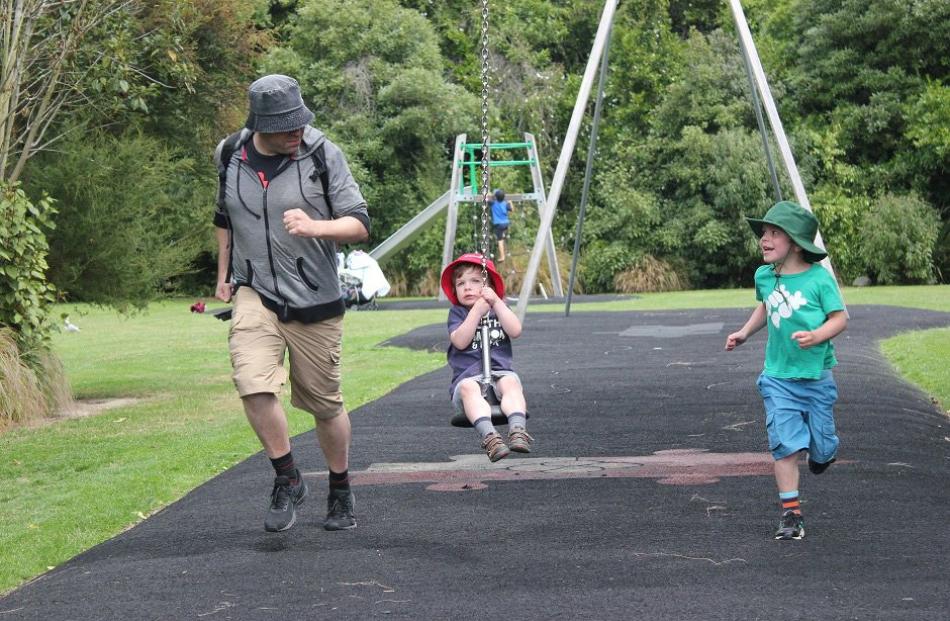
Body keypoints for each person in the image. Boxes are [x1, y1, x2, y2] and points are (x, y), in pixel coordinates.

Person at [213, 74, 370, 533]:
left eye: (298, 122)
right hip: (255, 291)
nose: (295, 132)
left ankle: (339, 488)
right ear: (259, 124)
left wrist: (316, 227)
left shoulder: (321, 153)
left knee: (325, 406)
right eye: (285, 127)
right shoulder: (229, 155)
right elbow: (224, 216)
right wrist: (223, 276)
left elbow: (359, 223)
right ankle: (288, 477)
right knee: (252, 383)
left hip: (315, 301)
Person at [724, 200, 847, 541]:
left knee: (820, 449)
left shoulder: (819, 279)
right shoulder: (765, 276)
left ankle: (825, 451)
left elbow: (841, 318)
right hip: (778, 377)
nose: (764, 239)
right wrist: (745, 332)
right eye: (764, 232)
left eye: (774, 233)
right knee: (785, 446)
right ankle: (791, 514)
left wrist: (817, 335)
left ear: (794, 242)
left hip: (817, 378)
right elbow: (767, 306)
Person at [441, 253, 532, 461]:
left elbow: (516, 330)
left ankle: (518, 430)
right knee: (468, 388)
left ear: (489, 286)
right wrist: (476, 311)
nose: (467, 287)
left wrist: (496, 303)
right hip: (468, 379)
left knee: (510, 382)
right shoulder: (457, 313)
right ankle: (490, 437)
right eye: (461, 283)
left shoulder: (498, 309)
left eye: (475, 281)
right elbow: (460, 341)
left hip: (500, 372)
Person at [490, 189, 513, 261]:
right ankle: (503, 236)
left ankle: (502, 256)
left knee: (500, 241)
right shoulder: (505, 203)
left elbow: (486, 198)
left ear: (495, 197)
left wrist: (489, 194)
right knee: (502, 236)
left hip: (498, 225)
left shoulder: (493, 203)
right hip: (506, 223)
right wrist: (510, 202)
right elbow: (512, 209)